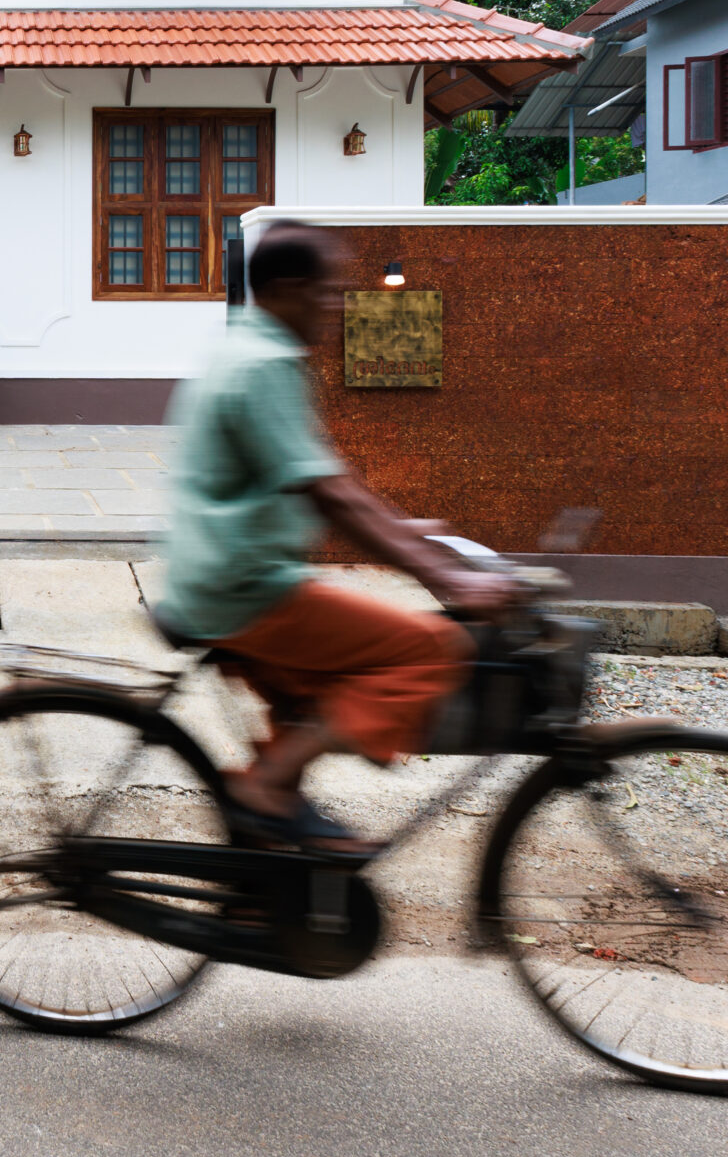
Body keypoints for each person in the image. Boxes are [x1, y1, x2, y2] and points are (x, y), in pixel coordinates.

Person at [155, 221, 526, 857]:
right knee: (431, 648)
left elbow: (320, 484)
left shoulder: (242, 348)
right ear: (289, 288)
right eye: (327, 293)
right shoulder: (265, 364)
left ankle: (262, 888)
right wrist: (447, 580)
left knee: (311, 701)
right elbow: (332, 494)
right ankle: (267, 788)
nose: (335, 308)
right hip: (245, 590)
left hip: (219, 575)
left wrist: (406, 535)